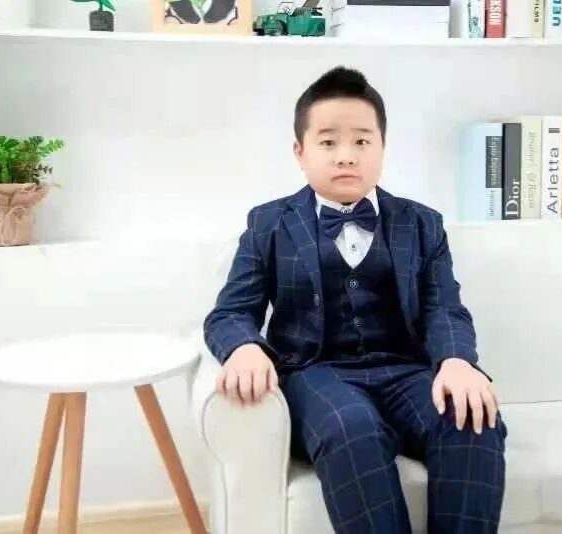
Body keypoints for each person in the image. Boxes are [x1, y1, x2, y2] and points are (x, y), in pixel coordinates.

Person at [204, 66, 507, 534]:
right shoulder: (268, 224)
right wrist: (244, 347)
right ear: (300, 152)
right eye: (328, 142)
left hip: (406, 371)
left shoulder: (421, 223)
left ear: (382, 148)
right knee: (353, 428)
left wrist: (457, 362)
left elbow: (443, 307)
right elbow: (229, 312)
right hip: (315, 374)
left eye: (362, 141)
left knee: (473, 419)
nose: (346, 155)